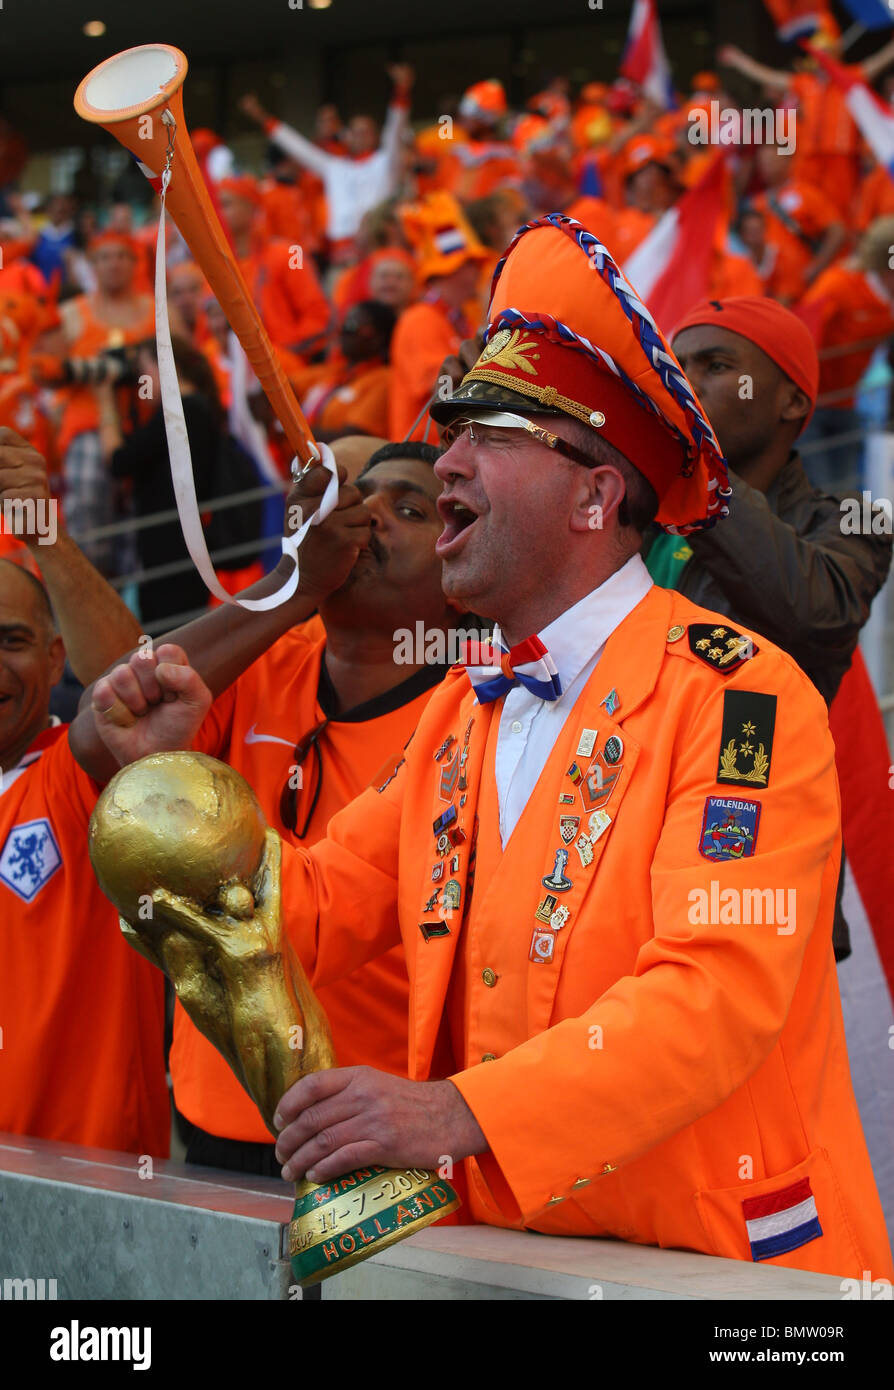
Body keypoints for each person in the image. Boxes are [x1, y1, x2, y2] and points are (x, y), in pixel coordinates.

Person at [84, 216, 892, 1278]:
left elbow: (714, 993)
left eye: (492, 434)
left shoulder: (744, 698)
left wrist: (455, 1112)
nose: (448, 459)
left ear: (597, 493)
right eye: (452, 429)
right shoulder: (462, 715)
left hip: (722, 1265)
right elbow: (306, 911)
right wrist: (170, 783)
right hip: (514, 1260)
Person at [70, 440, 475, 1175]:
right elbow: (100, 741)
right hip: (219, 1113)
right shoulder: (266, 655)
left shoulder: (479, 710)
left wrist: (300, 583)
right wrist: (292, 586)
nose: (367, 517)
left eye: (409, 509)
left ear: (459, 578)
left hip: (386, 1124)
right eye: (360, 497)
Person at [663, 296, 892, 961]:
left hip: (748, 859)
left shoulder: (856, 518)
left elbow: (814, 610)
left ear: (793, 404)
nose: (685, 384)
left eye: (715, 365)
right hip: (619, 838)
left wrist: (701, 479)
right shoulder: (637, 510)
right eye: (676, 366)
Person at [0, 428, 168, 1155]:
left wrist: (39, 528)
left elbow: (132, 683)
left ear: (53, 653)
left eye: (8, 640)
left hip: (88, 1201)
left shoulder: (79, 774)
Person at [239, 66, 414, 264]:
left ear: (375, 136)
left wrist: (402, 90)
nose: (360, 136)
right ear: (347, 135)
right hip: (341, 256)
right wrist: (260, 116)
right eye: (355, 131)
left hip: (379, 249)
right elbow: (296, 146)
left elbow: (395, 129)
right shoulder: (335, 167)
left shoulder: (385, 162)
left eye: (366, 131)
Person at [798, 215, 894, 490]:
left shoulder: (888, 302)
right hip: (810, 406)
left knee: (846, 491)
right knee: (824, 492)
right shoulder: (837, 286)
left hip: (848, 404)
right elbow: (801, 334)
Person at [389, 193, 489, 441]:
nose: (478, 273)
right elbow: (441, 381)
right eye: (471, 264)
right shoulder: (419, 319)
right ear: (453, 270)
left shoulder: (460, 320)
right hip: (420, 460)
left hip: (448, 450)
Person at [216, 178, 330, 360]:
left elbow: (316, 316)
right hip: (235, 369)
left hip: (287, 364)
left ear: (251, 207)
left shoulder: (291, 252)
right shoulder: (213, 266)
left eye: (225, 204)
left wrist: (285, 353)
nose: (217, 212)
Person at [289, 301, 395, 440]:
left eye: (352, 327)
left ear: (378, 338)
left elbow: (353, 437)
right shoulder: (335, 371)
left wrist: (289, 433)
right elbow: (279, 388)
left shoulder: (384, 379)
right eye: (343, 325)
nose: (343, 332)